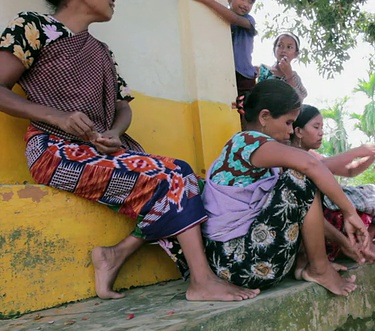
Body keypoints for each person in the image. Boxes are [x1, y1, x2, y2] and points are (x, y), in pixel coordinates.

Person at [0, 0, 259, 302]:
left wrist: (114, 133)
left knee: (188, 182)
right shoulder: (32, 26)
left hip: (100, 150)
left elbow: (122, 108)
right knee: (173, 176)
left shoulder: (101, 50)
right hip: (53, 151)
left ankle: (114, 255)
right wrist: (56, 117)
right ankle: (201, 281)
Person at [160, 79, 365, 296]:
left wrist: (344, 242)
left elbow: (304, 208)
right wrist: (349, 212)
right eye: (287, 123)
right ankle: (319, 268)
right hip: (237, 261)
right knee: (304, 176)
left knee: (301, 180)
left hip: (248, 263)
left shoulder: (268, 162)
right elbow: (311, 164)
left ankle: (311, 265)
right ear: (264, 117)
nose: (291, 131)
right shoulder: (246, 141)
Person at [291, 104, 375, 263]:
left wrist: (372, 155)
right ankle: (357, 246)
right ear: (298, 131)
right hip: (313, 222)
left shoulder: (313, 155)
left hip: (325, 217)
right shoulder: (292, 156)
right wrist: (359, 150)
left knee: (374, 194)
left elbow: (350, 171)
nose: (321, 132)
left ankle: (365, 244)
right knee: (354, 208)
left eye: (322, 127)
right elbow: (319, 167)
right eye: (316, 127)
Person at [195, 0, 257, 94]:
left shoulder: (249, 20)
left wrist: (208, 1)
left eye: (250, 2)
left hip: (244, 76)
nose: (246, 5)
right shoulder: (218, 18)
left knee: (244, 106)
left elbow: (234, 19)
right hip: (223, 71)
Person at [257, 32, 307, 101]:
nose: (284, 50)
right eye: (280, 45)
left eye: (289, 47)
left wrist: (289, 76)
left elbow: (298, 101)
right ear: (274, 49)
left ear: (296, 54)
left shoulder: (295, 77)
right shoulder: (263, 70)